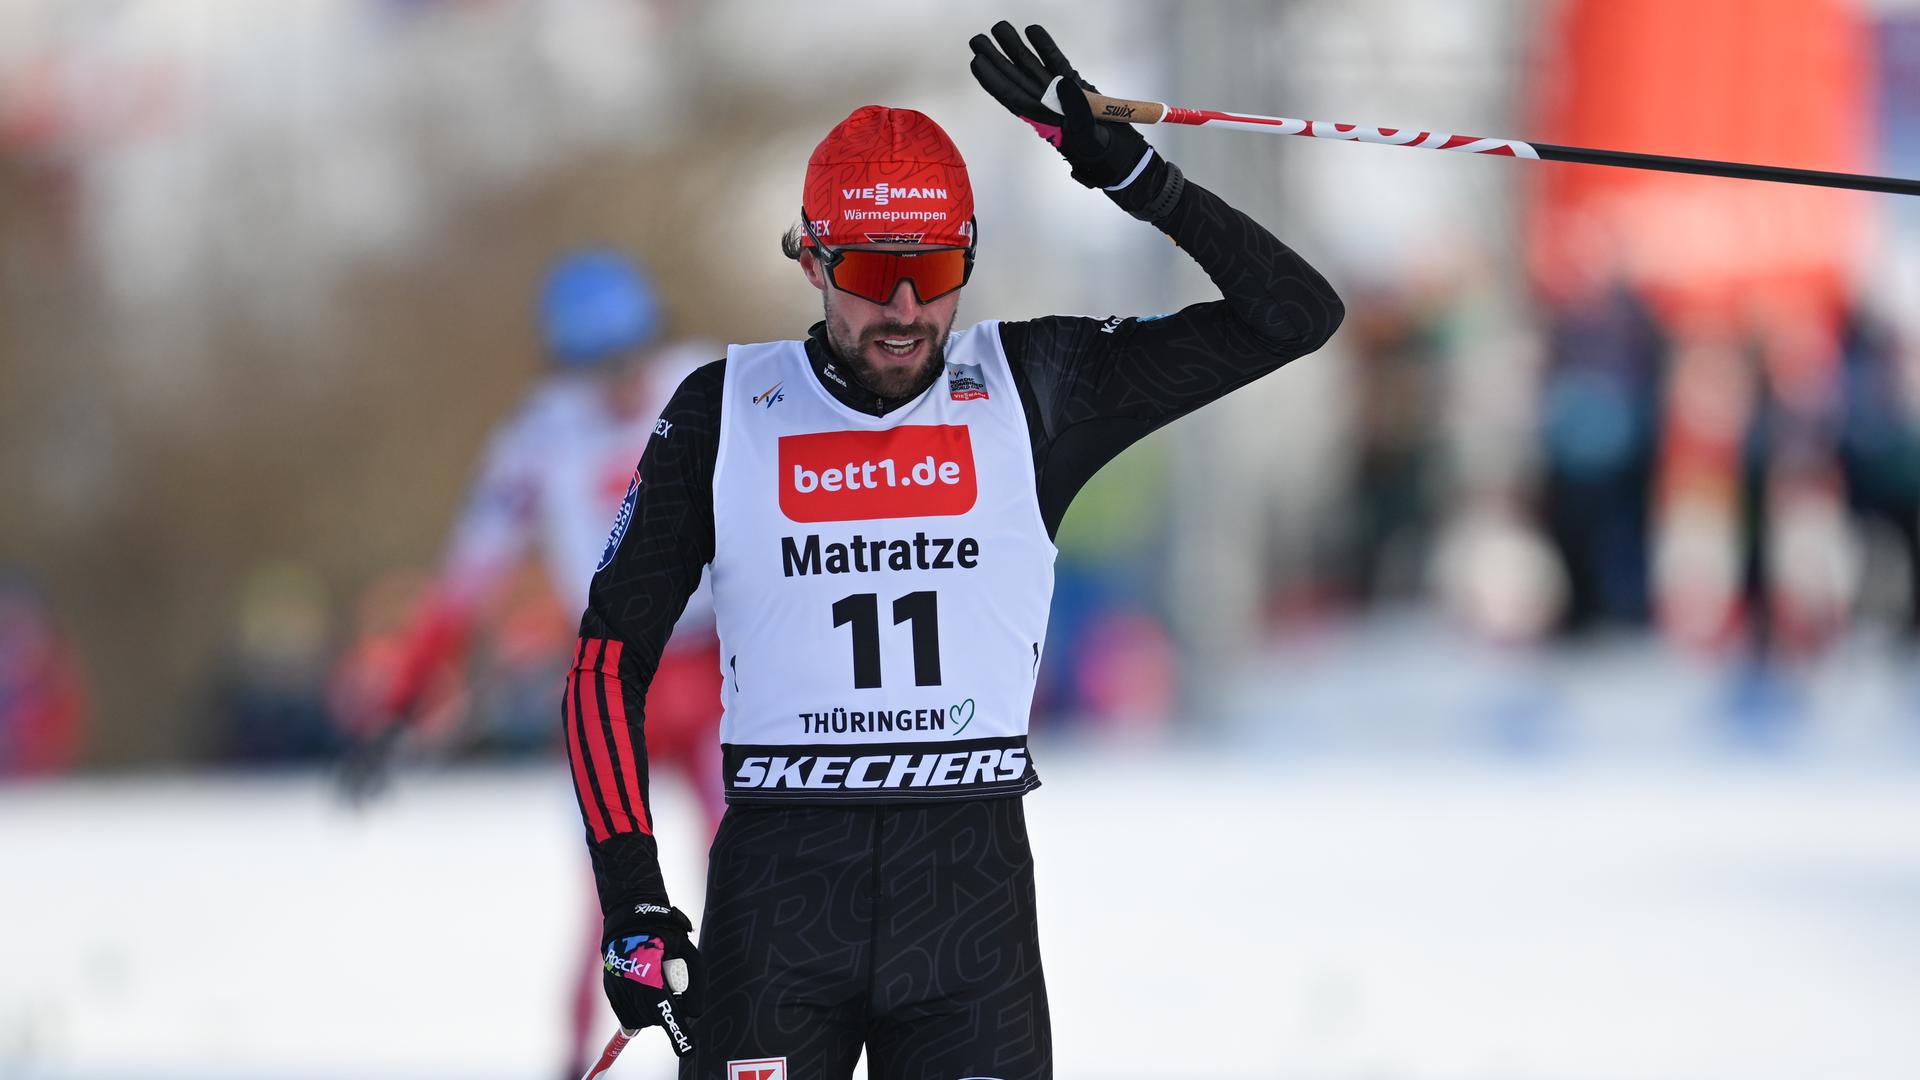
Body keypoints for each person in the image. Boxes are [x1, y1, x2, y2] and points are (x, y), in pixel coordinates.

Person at [572, 23, 1343, 1079]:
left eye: (933, 270)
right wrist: (630, 894)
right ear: (810, 254)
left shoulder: (1039, 385)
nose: (903, 310)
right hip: (784, 898)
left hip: (967, 904)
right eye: (872, 269)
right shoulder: (725, 411)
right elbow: (607, 657)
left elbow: (1295, 315)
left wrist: (1135, 176)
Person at [332, 249, 723, 1078]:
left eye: (635, 355)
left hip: (726, 670)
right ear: (569, 365)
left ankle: (745, 1051)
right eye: (601, 366)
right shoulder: (540, 435)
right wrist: (400, 707)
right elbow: (464, 585)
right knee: (610, 893)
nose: (623, 382)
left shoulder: (707, 383)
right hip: (616, 680)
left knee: (749, 867)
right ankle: (577, 1060)